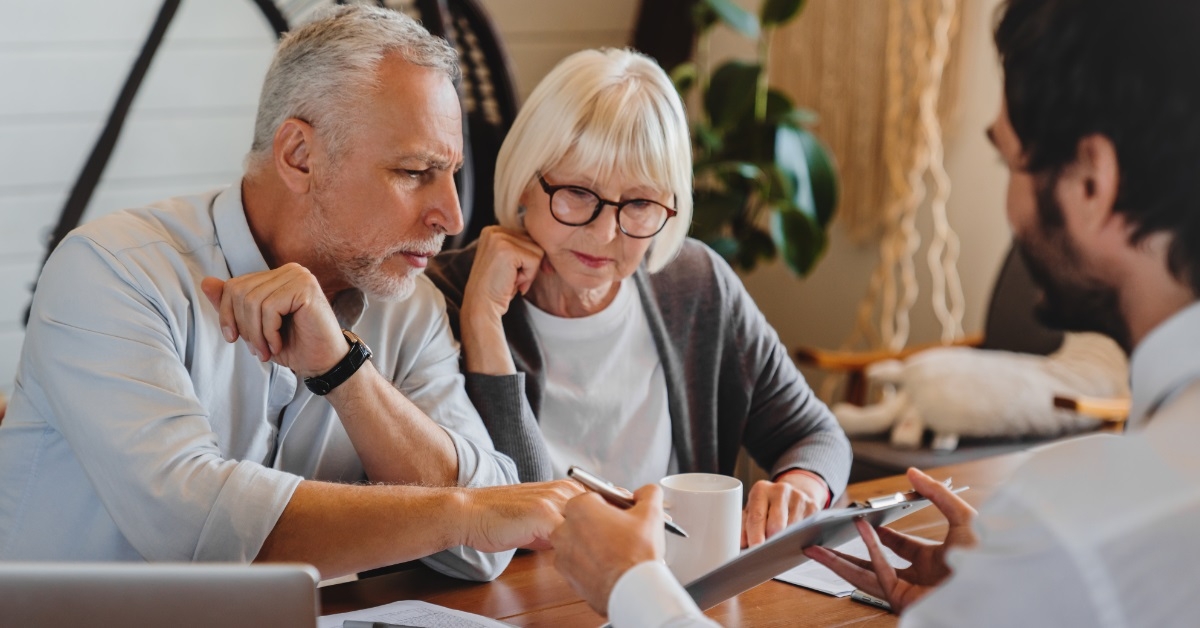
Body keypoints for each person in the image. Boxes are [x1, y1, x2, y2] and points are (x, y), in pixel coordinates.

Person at [552, 0, 1200, 625]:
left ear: (1093, 180)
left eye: (1010, 162)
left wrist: (633, 589)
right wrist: (994, 598)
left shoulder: (1078, 528)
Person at [0, 5, 582, 581]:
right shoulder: (111, 272)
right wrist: (458, 512)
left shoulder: (411, 307)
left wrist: (346, 373)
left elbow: (486, 549)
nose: (452, 216)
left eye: (450, 172)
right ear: (299, 156)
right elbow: (194, 531)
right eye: (413, 171)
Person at [425, 48, 851, 549]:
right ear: (524, 181)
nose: (606, 233)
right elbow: (505, 514)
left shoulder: (694, 283)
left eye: (641, 203)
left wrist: (801, 486)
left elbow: (816, 436)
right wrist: (481, 325)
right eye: (579, 192)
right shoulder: (444, 297)